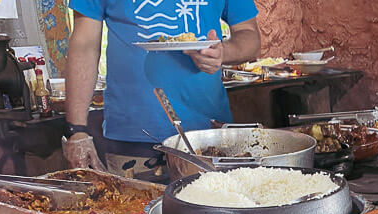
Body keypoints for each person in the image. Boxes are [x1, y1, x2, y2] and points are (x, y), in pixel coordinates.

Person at [62, 0, 261, 176]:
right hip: (131, 136)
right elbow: (84, 44)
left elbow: (249, 35)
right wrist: (77, 130)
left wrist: (223, 53)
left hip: (208, 136)